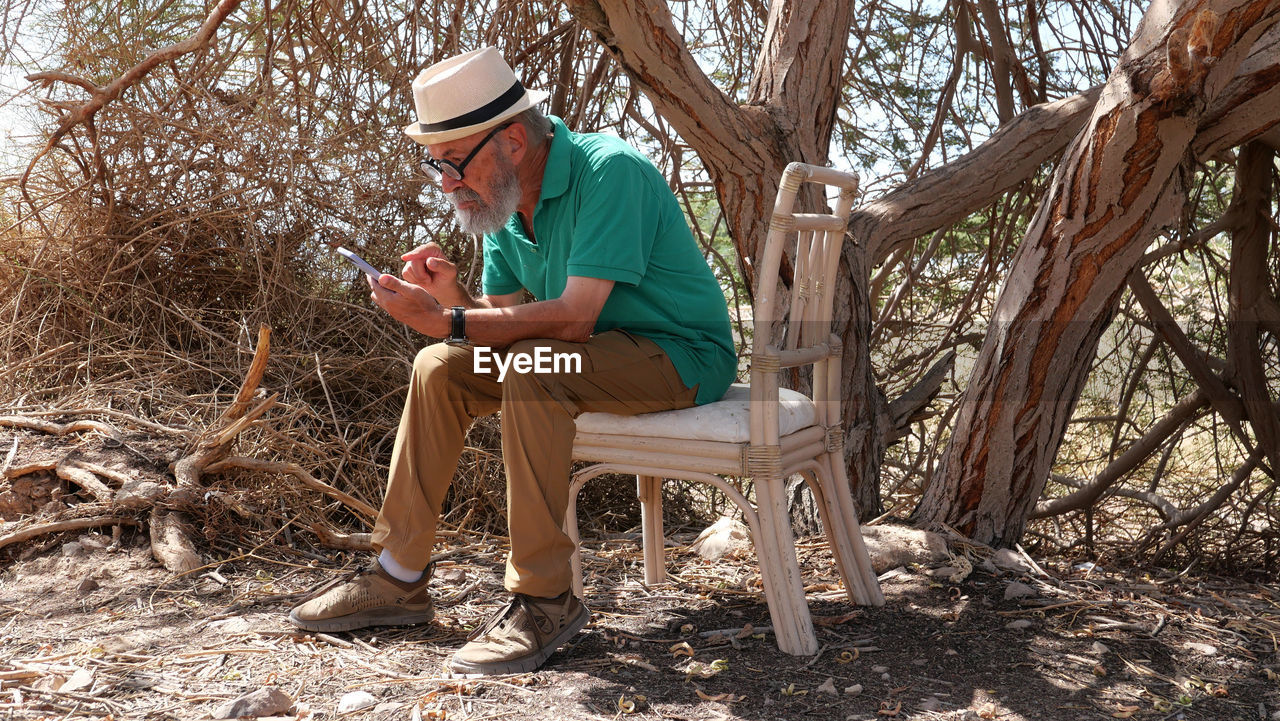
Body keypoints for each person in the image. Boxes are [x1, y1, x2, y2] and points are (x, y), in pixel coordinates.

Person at [289, 47, 736, 676]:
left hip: (679, 356)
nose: (445, 182)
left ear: (515, 143)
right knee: (438, 368)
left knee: (533, 368)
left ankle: (544, 599)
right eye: (434, 164)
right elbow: (499, 322)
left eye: (453, 163)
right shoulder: (498, 206)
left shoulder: (613, 172)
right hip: (583, 358)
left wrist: (450, 321)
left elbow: (575, 315)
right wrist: (449, 300)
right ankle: (399, 575)